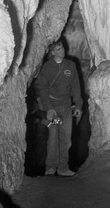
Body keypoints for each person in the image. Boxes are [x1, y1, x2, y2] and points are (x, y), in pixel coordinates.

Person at [35, 39, 83, 177]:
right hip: (52, 106)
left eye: (62, 47)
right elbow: (43, 90)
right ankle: (50, 167)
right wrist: (49, 108)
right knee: (53, 136)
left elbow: (76, 87)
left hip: (66, 106)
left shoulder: (71, 65)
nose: (62, 50)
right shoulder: (47, 68)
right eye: (58, 49)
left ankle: (63, 167)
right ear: (52, 52)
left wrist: (78, 105)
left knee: (66, 138)